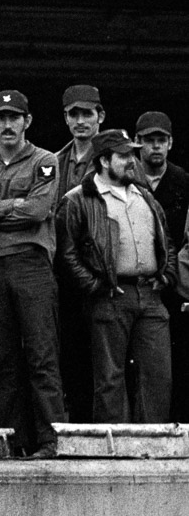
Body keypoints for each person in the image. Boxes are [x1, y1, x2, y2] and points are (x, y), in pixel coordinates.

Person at [0, 89, 66, 456]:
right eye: (1, 118)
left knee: (41, 354)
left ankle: (52, 440)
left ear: (27, 121)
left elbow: (38, 211)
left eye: (14, 117)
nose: (8, 125)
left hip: (30, 263)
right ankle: (14, 442)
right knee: (3, 359)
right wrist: (11, 208)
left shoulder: (44, 160)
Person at [58, 129, 175, 423]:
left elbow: (166, 241)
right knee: (110, 377)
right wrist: (96, 286)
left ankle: (152, 443)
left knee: (158, 374)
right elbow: (67, 253)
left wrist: (167, 275)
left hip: (150, 293)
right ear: (104, 161)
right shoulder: (78, 199)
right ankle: (115, 446)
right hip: (110, 294)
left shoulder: (145, 195)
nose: (132, 161)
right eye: (123, 155)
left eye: (132, 154)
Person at [53, 84, 106, 423]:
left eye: (87, 113)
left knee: (104, 355)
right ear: (66, 118)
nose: (81, 120)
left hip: (100, 271)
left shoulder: (115, 161)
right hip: (62, 271)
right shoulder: (53, 162)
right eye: (74, 114)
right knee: (68, 351)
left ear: (100, 116)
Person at [135, 111, 189, 421]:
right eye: (149, 141)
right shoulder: (126, 179)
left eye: (161, 140)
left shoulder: (183, 181)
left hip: (175, 285)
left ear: (170, 143)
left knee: (179, 360)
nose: (155, 147)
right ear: (138, 143)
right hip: (138, 281)